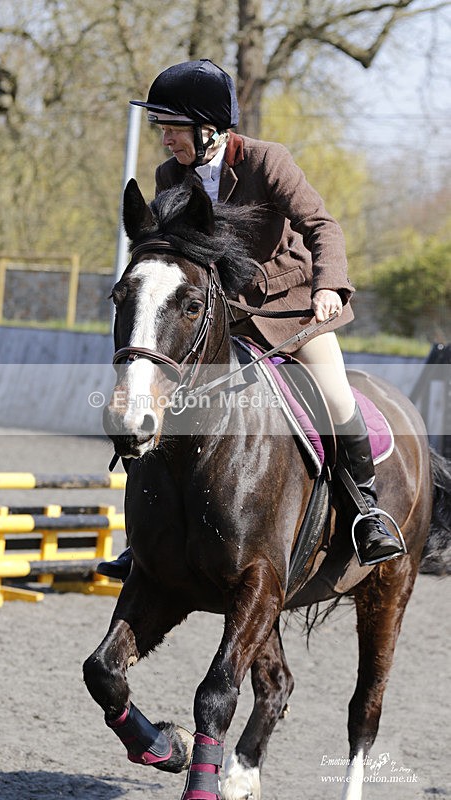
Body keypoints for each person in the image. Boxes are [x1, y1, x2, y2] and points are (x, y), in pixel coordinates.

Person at [98, 59, 404, 579]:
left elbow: (321, 225)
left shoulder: (268, 162)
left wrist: (329, 284)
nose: (166, 139)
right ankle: (148, 538)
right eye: (163, 129)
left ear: (210, 129)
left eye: (173, 128)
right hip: (217, 316)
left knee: (334, 398)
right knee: (152, 397)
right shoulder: (170, 175)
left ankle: (366, 511)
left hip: (292, 309)